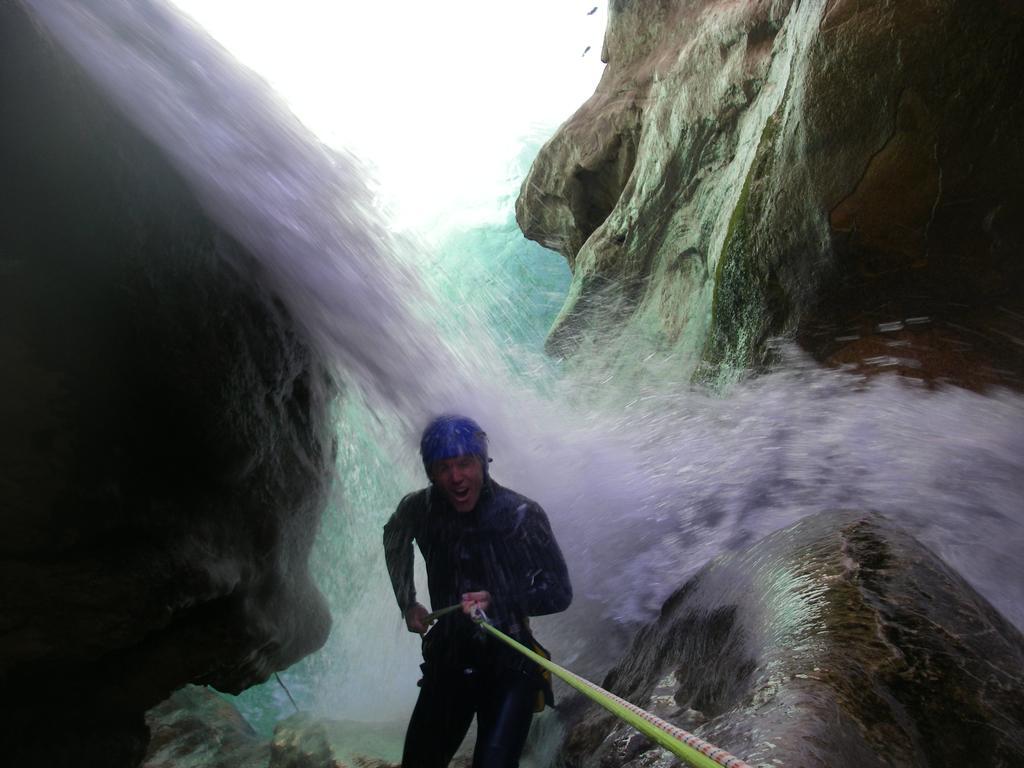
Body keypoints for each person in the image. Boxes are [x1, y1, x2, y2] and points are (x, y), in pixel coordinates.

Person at [383, 414, 572, 768]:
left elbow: (559, 591)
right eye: (444, 467)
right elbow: (394, 538)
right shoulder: (420, 510)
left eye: (465, 464)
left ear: (482, 463)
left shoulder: (519, 514)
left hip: (509, 665)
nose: (456, 477)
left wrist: (498, 600)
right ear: (430, 473)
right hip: (449, 660)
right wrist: (407, 601)